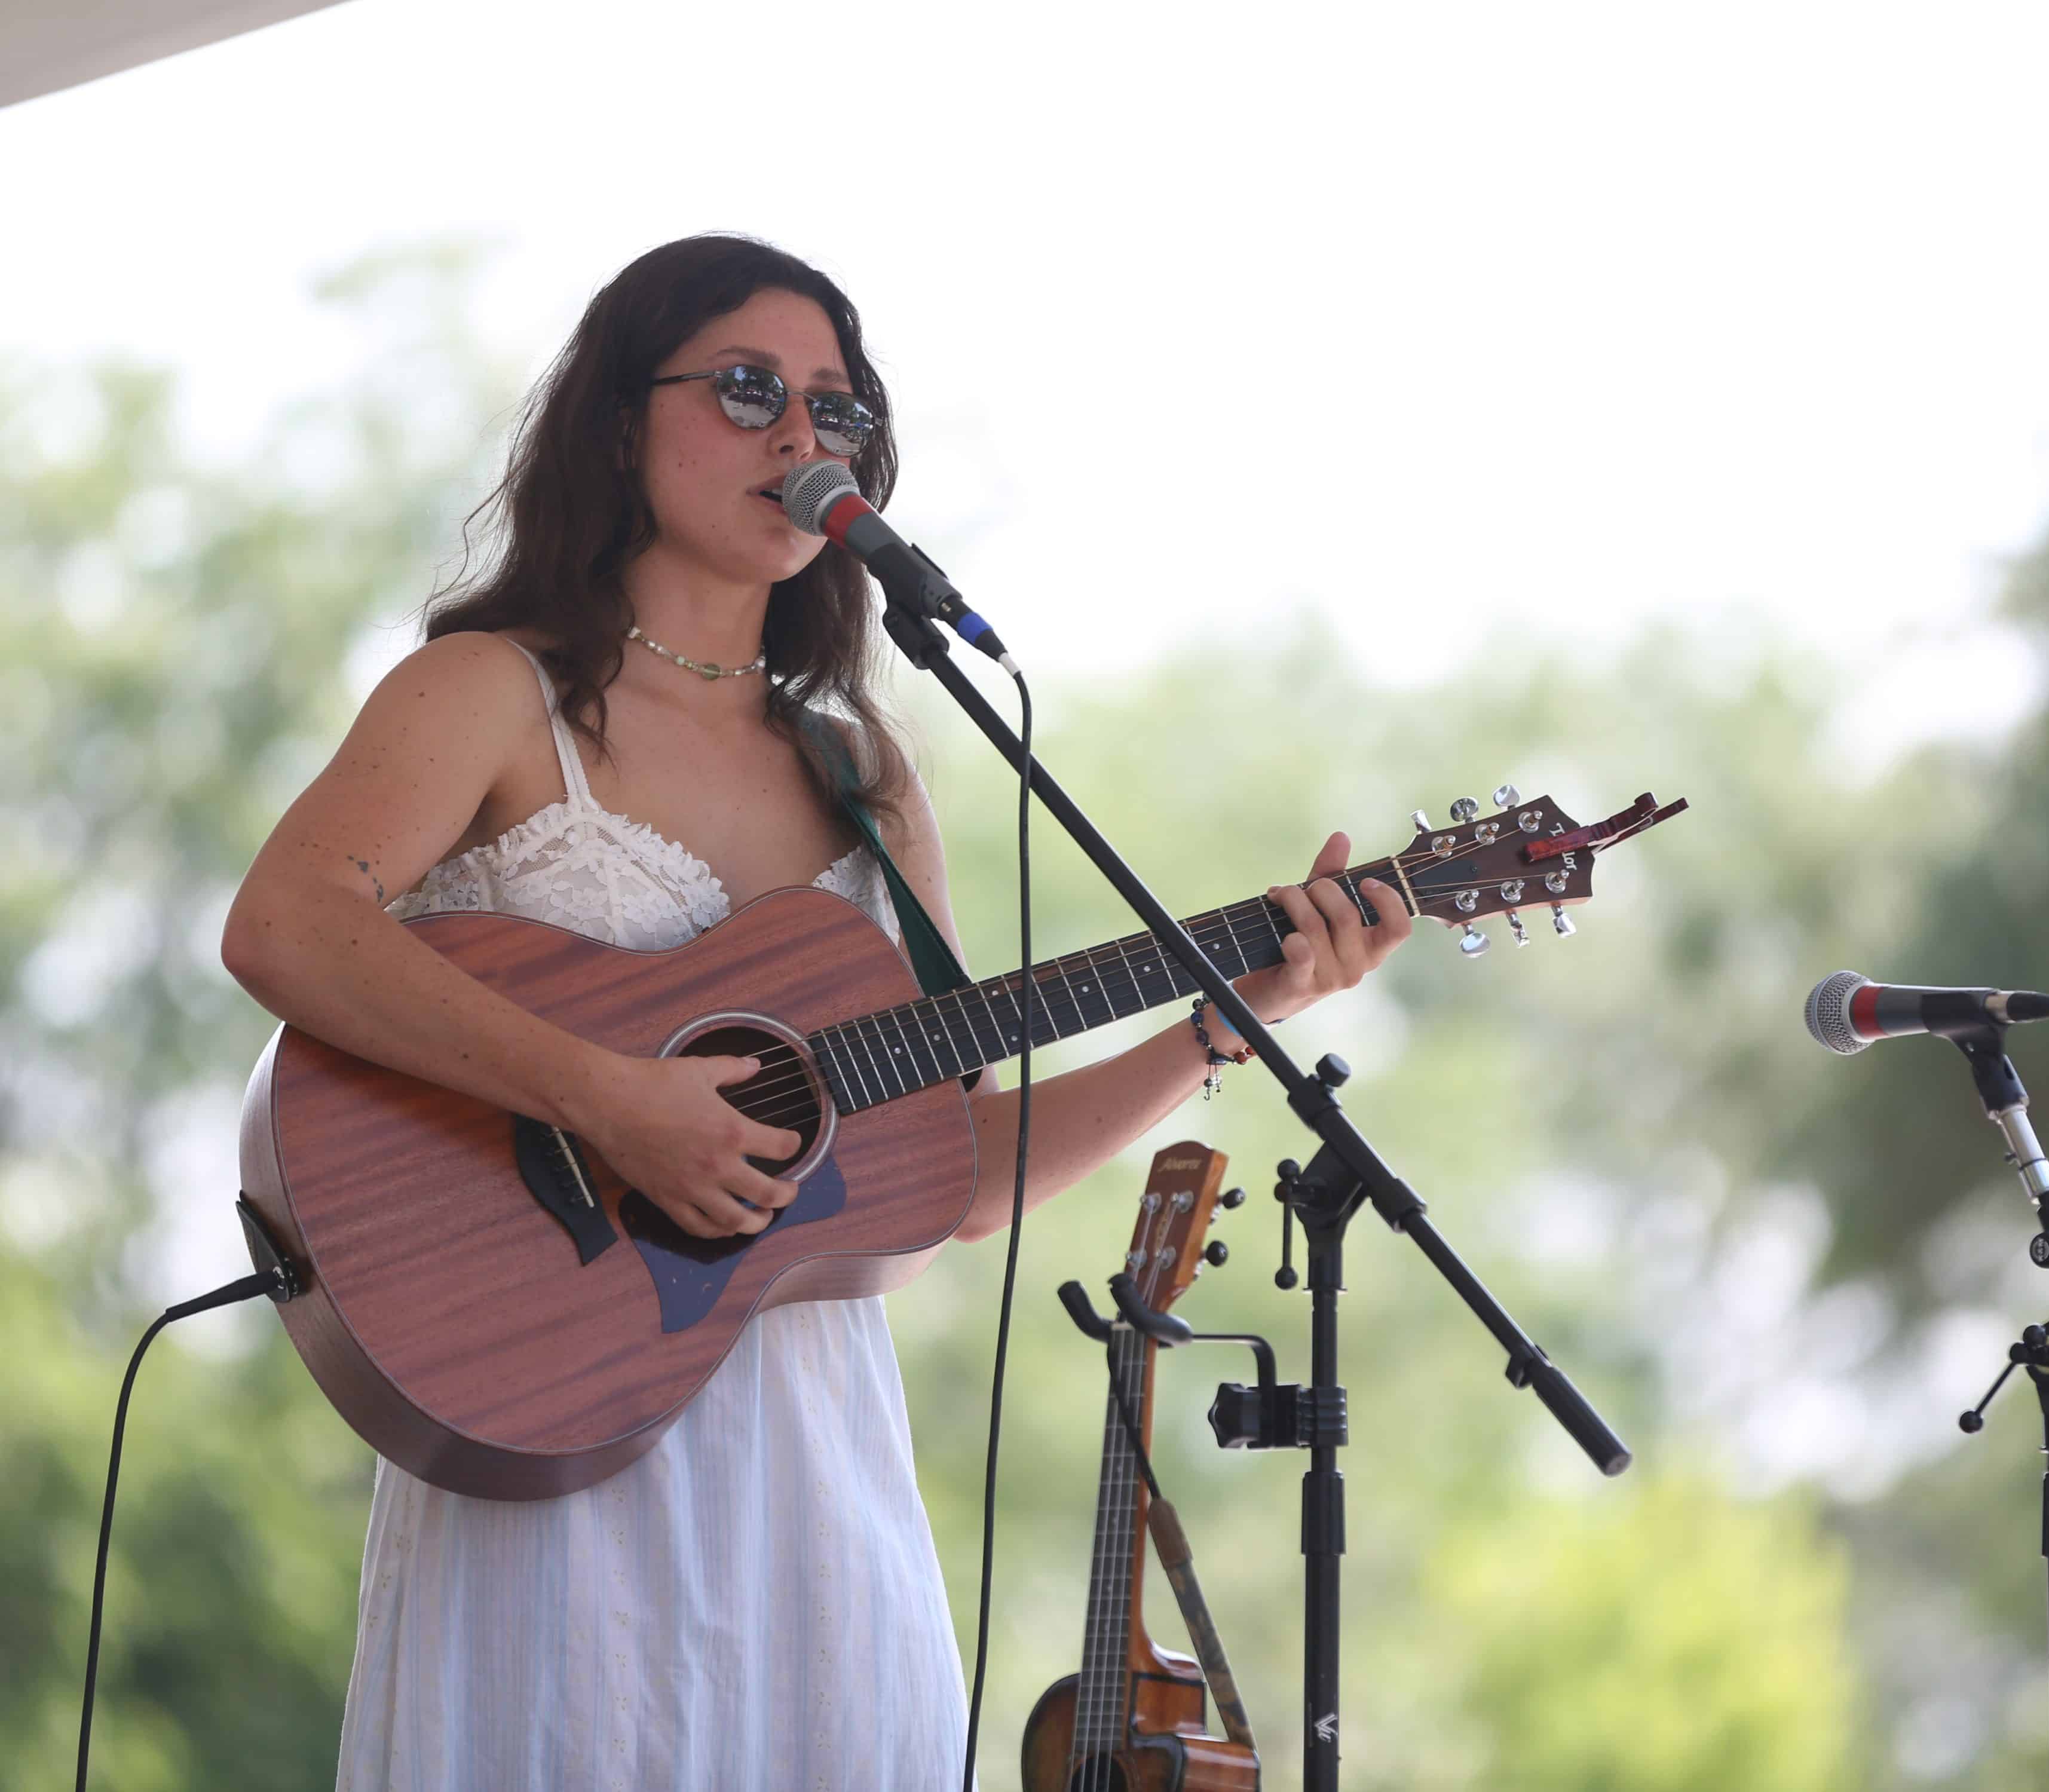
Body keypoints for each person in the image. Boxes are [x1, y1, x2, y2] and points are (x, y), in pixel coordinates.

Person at [218, 232, 1411, 1790]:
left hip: (817, 1483)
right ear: (616, 422)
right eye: (746, 391)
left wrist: (1222, 1021)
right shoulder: (493, 695)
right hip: (549, 1417)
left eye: (837, 409)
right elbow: (286, 924)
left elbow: (956, 1175)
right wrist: (605, 1094)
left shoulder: (866, 773)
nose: (800, 437)